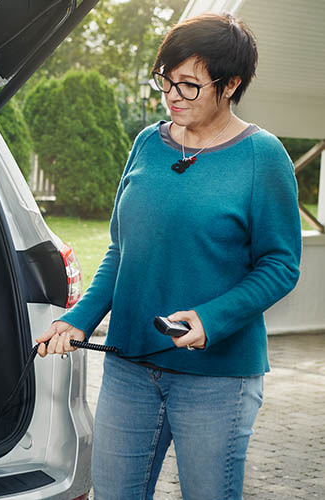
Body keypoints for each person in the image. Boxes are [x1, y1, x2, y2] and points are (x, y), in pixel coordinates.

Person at [36, 12, 302, 500]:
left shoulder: (263, 158)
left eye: (189, 85)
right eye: (165, 80)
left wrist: (211, 318)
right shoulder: (146, 144)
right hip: (129, 367)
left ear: (231, 84)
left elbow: (281, 265)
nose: (173, 95)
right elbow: (122, 248)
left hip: (217, 379)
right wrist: (80, 318)